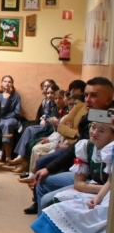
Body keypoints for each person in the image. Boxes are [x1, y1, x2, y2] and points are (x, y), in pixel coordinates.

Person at [0, 114, 114, 233]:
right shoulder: (87, 146)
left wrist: (95, 194)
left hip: (106, 205)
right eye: (93, 127)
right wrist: (93, 193)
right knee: (58, 205)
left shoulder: (110, 150)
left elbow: (107, 183)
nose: (94, 132)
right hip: (98, 195)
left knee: (63, 213)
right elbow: (82, 183)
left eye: (101, 130)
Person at [27, 78, 114, 214]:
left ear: (108, 99)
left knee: (48, 195)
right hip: (86, 169)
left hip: (100, 179)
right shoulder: (89, 114)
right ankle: (40, 214)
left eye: (94, 95)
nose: (87, 100)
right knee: (43, 176)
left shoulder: (108, 118)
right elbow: (66, 129)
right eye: (86, 95)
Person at [0, 75, 22, 163]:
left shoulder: (16, 96)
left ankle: (7, 156)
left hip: (12, 119)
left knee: (7, 124)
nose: (7, 83)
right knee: (2, 124)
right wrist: (5, 99)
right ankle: (1, 152)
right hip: (0, 118)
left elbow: (17, 112)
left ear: (12, 84)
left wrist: (6, 117)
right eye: (5, 81)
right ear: (2, 83)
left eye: (9, 82)